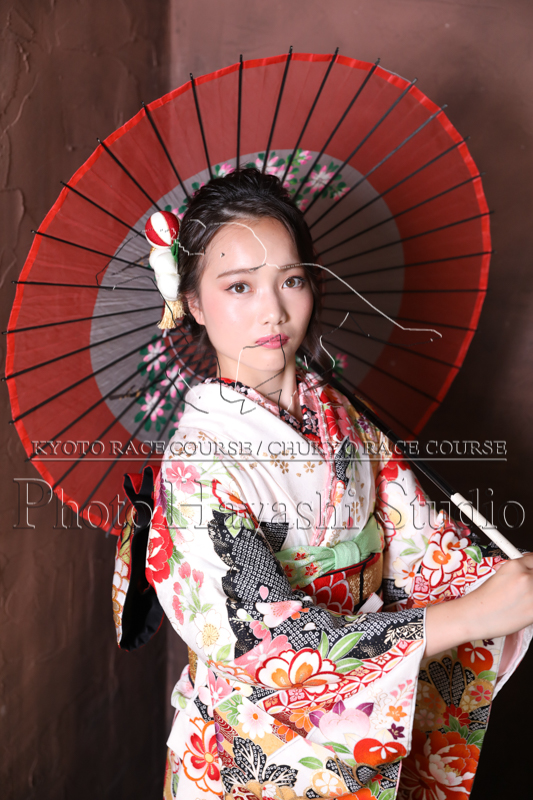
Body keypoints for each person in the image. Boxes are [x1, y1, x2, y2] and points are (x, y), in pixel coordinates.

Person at [113, 168, 533, 800]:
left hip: (365, 723)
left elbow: (420, 549)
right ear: (194, 303)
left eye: (291, 280)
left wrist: (503, 582)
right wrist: (476, 613)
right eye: (239, 286)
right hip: (255, 752)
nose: (273, 311)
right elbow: (271, 646)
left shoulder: (341, 416)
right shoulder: (196, 467)